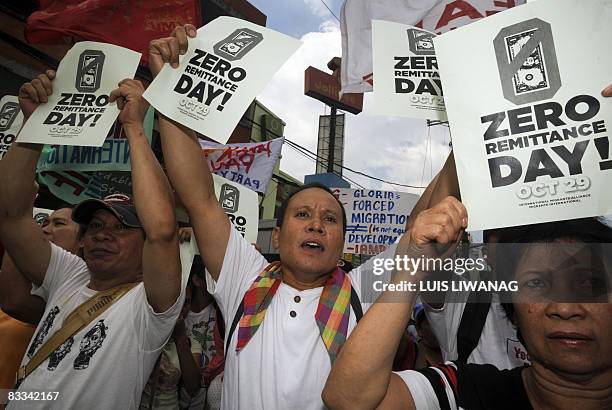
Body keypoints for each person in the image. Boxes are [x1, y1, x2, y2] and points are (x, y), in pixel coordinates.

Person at [146, 24, 429, 409]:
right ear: (276, 237)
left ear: (342, 243)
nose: (316, 224)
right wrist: (171, 87)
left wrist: (465, 133)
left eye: (330, 220)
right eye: (303, 214)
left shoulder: (361, 290)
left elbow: (421, 229)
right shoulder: (244, 278)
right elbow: (201, 199)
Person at [0, 72, 184, 409]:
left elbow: (162, 231)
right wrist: (35, 126)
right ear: (81, 241)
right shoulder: (69, 275)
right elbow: (11, 214)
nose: (102, 234)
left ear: (144, 246)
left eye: (121, 228)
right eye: (95, 225)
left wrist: (134, 127)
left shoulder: (150, 307)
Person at [324, 207, 612, 409]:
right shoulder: (463, 391)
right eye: (536, 283)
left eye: (588, 284)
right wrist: (410, 272)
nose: (563, 307)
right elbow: (348, 399)